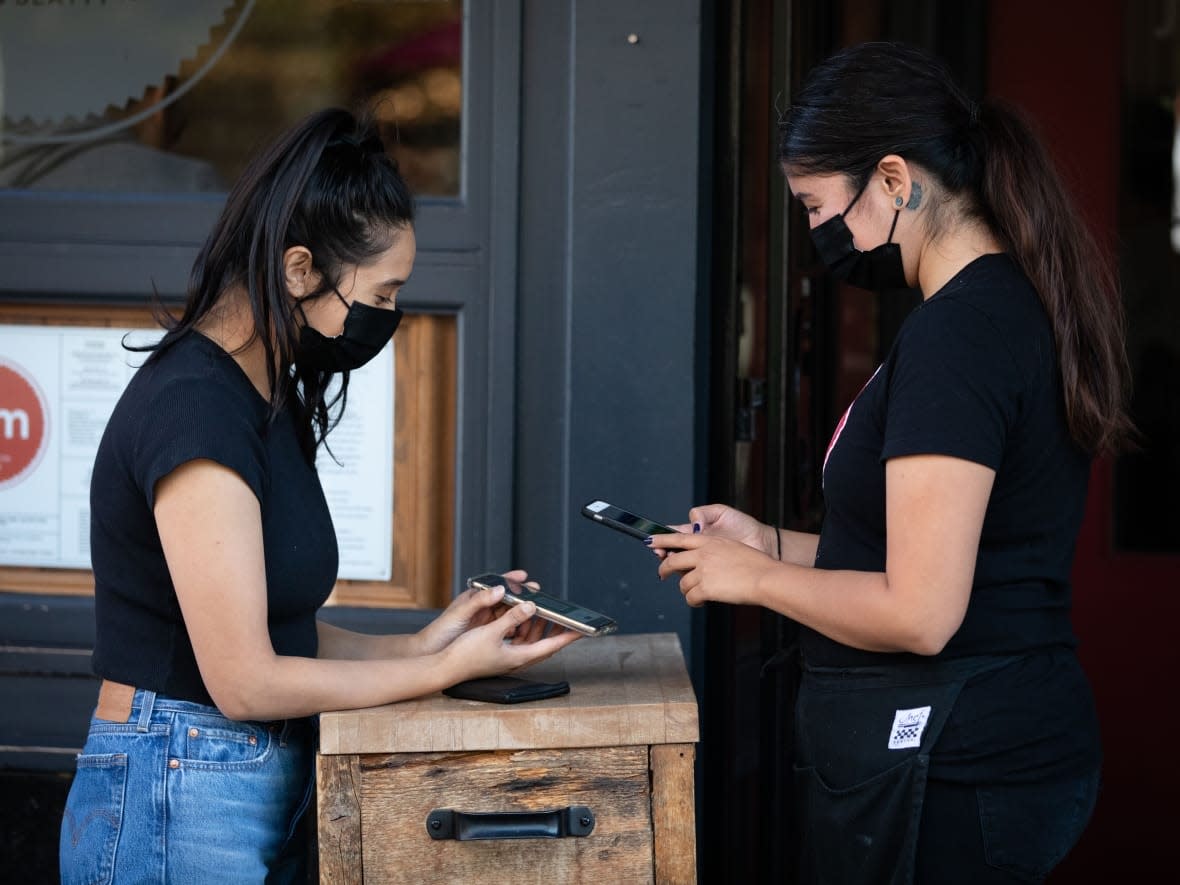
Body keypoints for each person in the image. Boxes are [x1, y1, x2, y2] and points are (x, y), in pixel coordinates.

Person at [649, 42, 1132, 884]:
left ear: (895, 180)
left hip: (959, 766)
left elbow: (918, 610)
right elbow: (926, 557)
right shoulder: (993, 312)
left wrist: (756, 582)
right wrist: (765, 542)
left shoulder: (960, 336)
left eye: (812, 204)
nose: (811, 233)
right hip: (984, 747)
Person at [58, 108, 580, 884]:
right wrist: (441, 671)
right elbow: (245, 679)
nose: (391, 317)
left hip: (220, 782)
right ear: (299, 269)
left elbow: (277, 626)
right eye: (383, 291)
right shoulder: (195, 408)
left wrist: (435, 640)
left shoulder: (264, 394)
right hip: (174, 786)